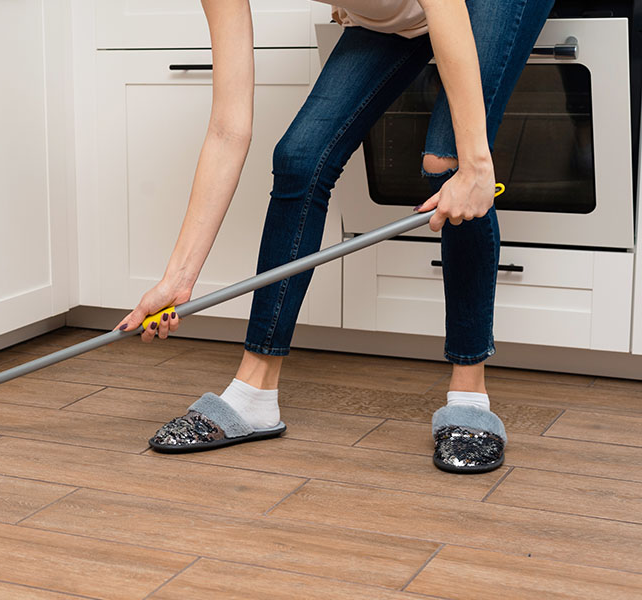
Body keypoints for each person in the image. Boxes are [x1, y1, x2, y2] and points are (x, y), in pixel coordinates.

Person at [113, 0, 555, 473]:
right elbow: (227, 129)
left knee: (447, 163)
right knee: (299, 158)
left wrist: (476, 167)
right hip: (399, 14)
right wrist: (177, 280)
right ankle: (254, 393)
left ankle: (470, 395)